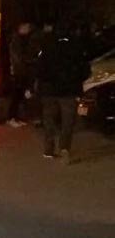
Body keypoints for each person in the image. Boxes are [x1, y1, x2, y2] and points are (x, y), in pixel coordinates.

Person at [35, 23, 89, 164]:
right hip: (69, 91)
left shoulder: (47, 47)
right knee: (67, 121)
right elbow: (85, 70)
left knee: (49, 120)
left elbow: (39, 69)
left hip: (49, 91)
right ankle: (64, 148)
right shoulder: (76, 48)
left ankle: (48, 149)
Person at [8, 21, 38, 127]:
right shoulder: (16, 40)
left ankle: (16, 117)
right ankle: (11, 118)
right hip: (19, 72)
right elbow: (17, 58)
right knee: (16, 95)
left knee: (20, 96)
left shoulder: (22, 40)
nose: (28, 29)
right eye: (27, 27)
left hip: (21, 71)